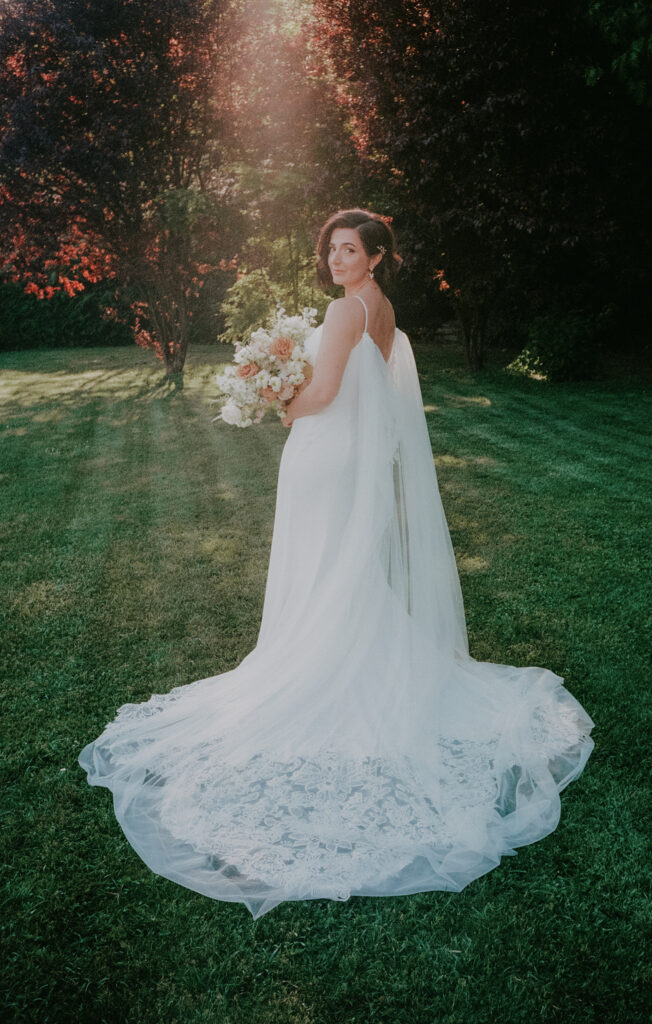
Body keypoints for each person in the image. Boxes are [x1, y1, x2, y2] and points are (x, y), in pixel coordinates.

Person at [79, 208, 595, 920]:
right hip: (352, 453)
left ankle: (318, 664)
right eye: (331, 249)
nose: (336, 259)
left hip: (326, 451)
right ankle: (344, 648)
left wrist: (272, 397)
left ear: (376, 256)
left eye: (349, 249)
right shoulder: (380, 310)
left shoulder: (345, 309)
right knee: (341, 567)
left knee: (322, 562)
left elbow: (321, 394)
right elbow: (367, 387)